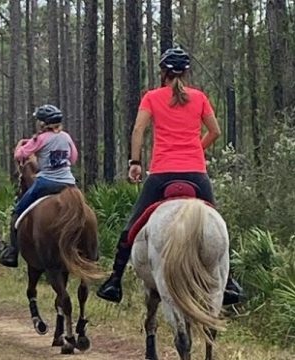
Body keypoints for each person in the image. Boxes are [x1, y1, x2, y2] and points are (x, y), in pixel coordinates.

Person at [96, 47, 243, 305]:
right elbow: (215, 131)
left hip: (162, 174)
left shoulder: (152, 97)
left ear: (162, 72)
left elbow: (139, 130)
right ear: (186, 73)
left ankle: (114, 281)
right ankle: (228, 282)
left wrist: (135, 163)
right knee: (219, 225)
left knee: (130, 228)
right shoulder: (199, 97)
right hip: (196, 175)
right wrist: (197, 147)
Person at [0, 104, 78, 268]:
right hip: (69, 184)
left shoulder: (40, 139)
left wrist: (21, 145)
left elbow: (20, 155)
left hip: (46, 183)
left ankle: (12, 251)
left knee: (17, 212)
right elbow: (73, 159)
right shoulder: (66, 137)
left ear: (43, 123)